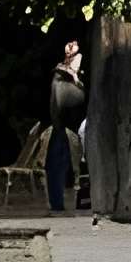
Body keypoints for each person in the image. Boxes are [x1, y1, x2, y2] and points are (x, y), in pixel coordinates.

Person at [46, 39, 86, 215]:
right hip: (62, 126)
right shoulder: (60, 76)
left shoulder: (71, 75)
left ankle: (65, 202)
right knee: (58, 165)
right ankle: (57, 203)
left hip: (71, 126)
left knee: (69, 165)